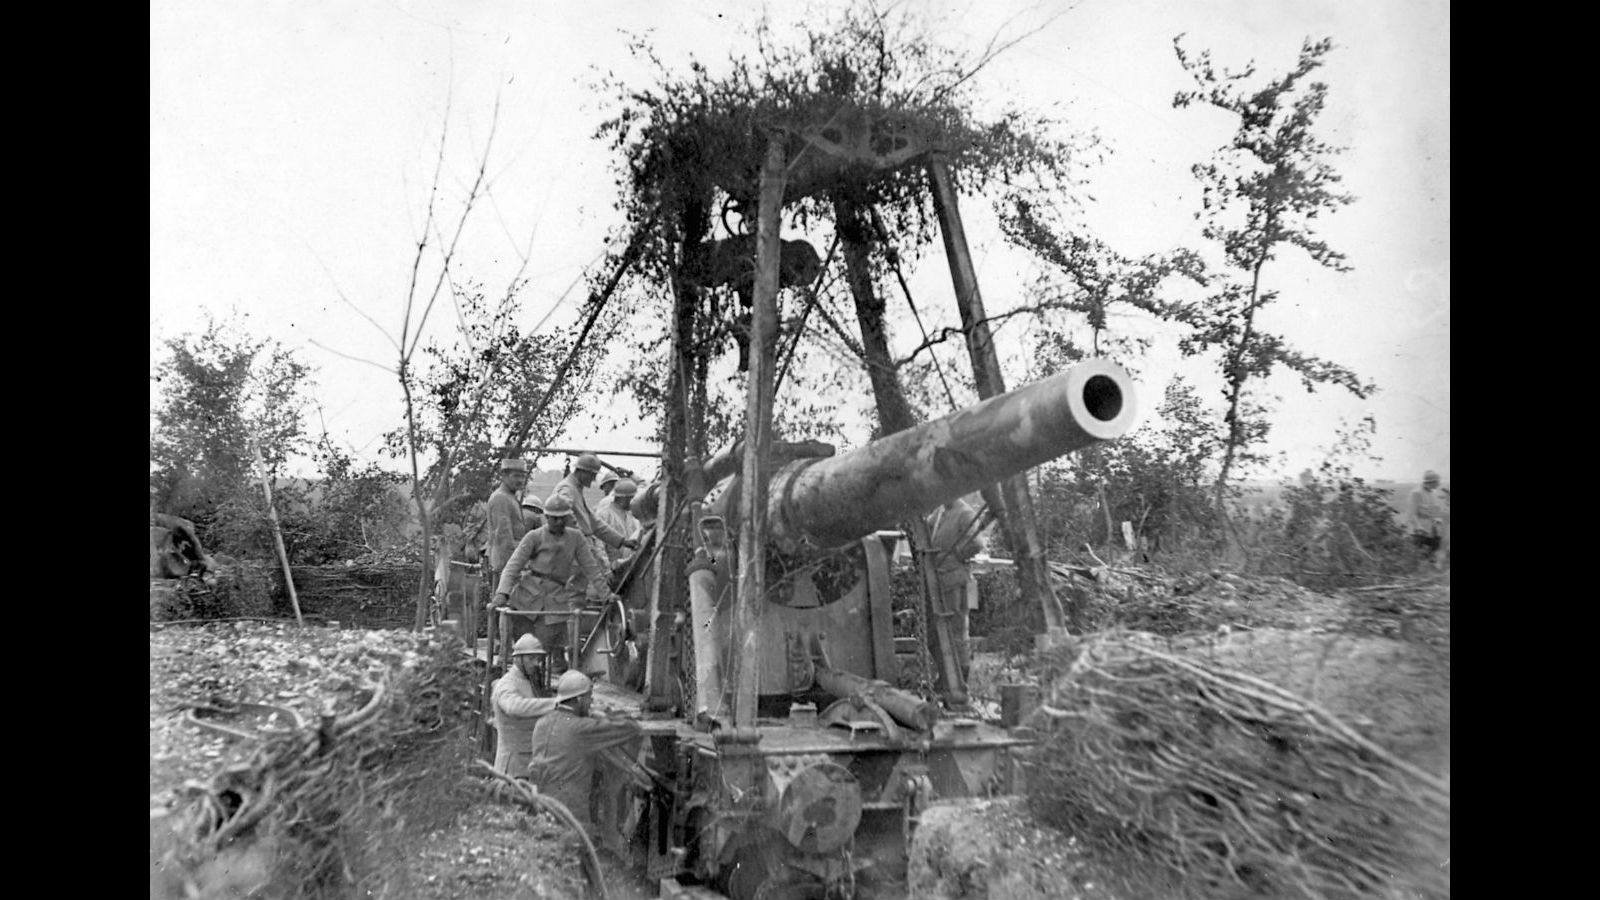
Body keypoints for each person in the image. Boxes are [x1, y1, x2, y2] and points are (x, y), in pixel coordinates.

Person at [493, 494, 615, 676]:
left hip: (555, 601)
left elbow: (591, 568)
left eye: (562, 518)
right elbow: (513, 566)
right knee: (516, 634)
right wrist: (502, 592)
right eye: (553, 518)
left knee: (542, 649)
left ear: (567, 517)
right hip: (528, 596)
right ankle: (503, 661)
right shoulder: (534, 536)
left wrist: (607, 595)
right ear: (546, 517)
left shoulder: (576, 538)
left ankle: (545, 676)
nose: (558, 522)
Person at [525, 670, 643, 831]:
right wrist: (606, 711)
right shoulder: (581, 729)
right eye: (589, 698)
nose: (591, 702)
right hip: (569, 810)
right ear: (579, 699)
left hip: (540, 800)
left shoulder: (542, 723)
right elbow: (631, 728)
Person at [926, 498, 982, 678]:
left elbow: (976, 543)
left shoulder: (965, 513)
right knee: (936, 632)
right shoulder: (940, 511)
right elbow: (927, 529)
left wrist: (957, 555)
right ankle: (945, 676)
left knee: (956, 633)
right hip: (939, 580)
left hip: (955, 581)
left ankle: (960, 680)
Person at [549, 453, 640, 564]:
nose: (594, 479)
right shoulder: (567, 489)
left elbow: (594, 523)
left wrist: (623, 541)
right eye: (593, 475)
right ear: (583, 472)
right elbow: (561, 514)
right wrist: (581, 539)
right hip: (570, 553)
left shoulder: (575, 489)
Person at [491, 634, 558, 775]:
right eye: (531, 658)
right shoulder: (507, 684)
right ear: (517, 659)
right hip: (512, 768)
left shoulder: (528, 680)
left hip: (527, 764)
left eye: (538, 659)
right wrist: (556, 704)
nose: (536, 663)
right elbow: (513, 707)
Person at [486, 459, 530, 595]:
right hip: (505, 565)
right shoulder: (501, 498)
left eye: (523, 476)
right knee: (505, 609)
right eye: (516, 476)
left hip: (510, 565)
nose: (521, 480)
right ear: (503, 476)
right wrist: (514, 569)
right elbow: (504, 539)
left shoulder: (510, 497)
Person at [593, 478, 642, 568]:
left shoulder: (632, 515)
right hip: (611, 569)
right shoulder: (604, 515)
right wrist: (607, 569)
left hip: (628, 568)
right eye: (632, 498)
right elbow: (599, 547)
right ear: (624, 498)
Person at [1407, 470, 1450, 569]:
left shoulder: (1433, 493)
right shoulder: (1416, 493)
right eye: (1437, 482)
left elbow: (1434, 510)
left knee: (1434, 550)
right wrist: (1418, 527)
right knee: (1417, 553)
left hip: (1432, 529)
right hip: (1419, 531)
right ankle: (1415, 571)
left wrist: (1438, 519)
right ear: (1431, 482)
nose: (1439, 484)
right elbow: (1411, 513)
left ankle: (1430, 571)